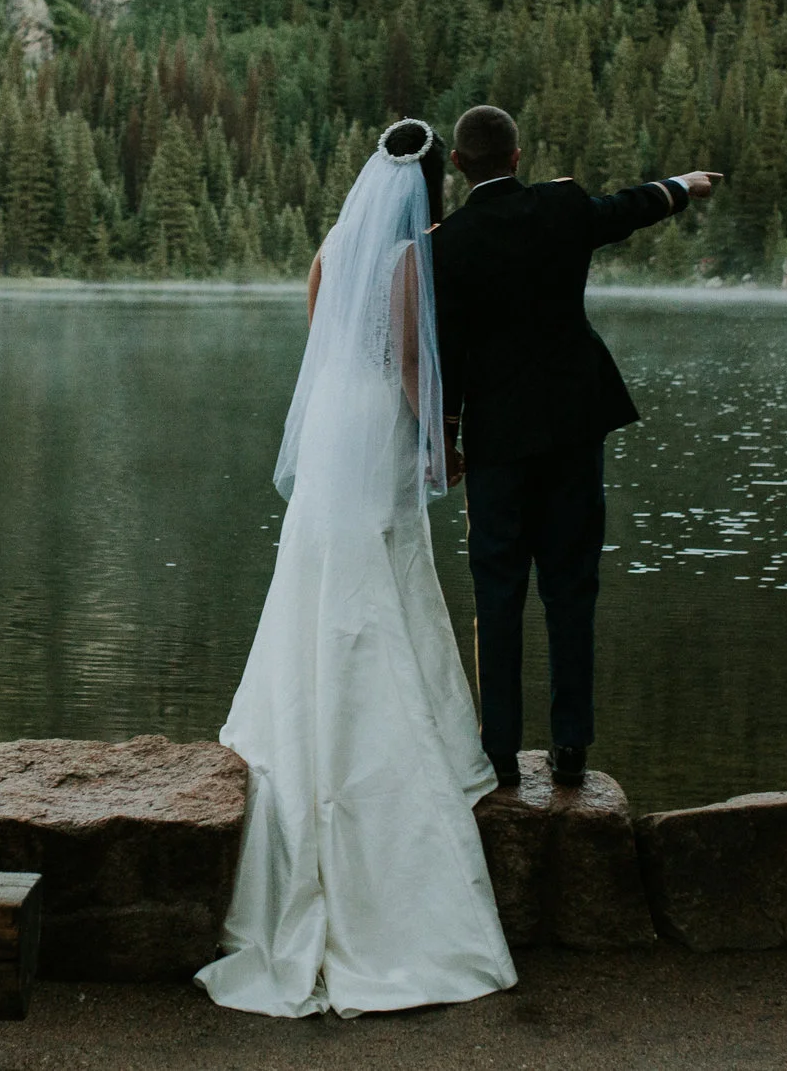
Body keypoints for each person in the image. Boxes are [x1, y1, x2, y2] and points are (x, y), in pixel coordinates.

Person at [197, 119, 517, 1018]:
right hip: (375, 415)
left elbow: (322, 341)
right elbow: (413, 360)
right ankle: (405, 750)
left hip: (334, 409)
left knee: (321, 568)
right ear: (431, 184)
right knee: (383, 562)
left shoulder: (332, 248)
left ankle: (307, 711)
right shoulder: (412, 255)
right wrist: (439, 440)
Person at [430, 104, 719, 789]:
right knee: (571, 587)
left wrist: (444, 433)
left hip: (497, 441)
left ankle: (499, 752)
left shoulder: (447, 244)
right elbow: (626, 208)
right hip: (571, 430)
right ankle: (570, 748)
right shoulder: (560, 208)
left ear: (458, 166)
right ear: (519, 156)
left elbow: (445, 349)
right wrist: (684, 184)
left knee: (497, 594)